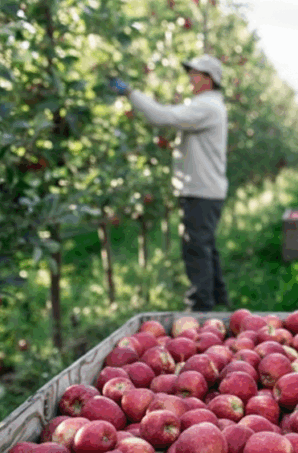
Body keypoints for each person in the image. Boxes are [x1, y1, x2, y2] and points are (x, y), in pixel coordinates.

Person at [109, 54, 232, 311]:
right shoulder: (208, 105)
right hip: (206, 188)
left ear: (209, 79)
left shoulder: (206, 107)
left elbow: (161, 116)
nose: (190, 78)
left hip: (201, 190)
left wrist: (130, 93)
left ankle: (200, 309)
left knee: (196, 249)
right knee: (205, 246)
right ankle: (219, 302)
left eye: (195, 74)